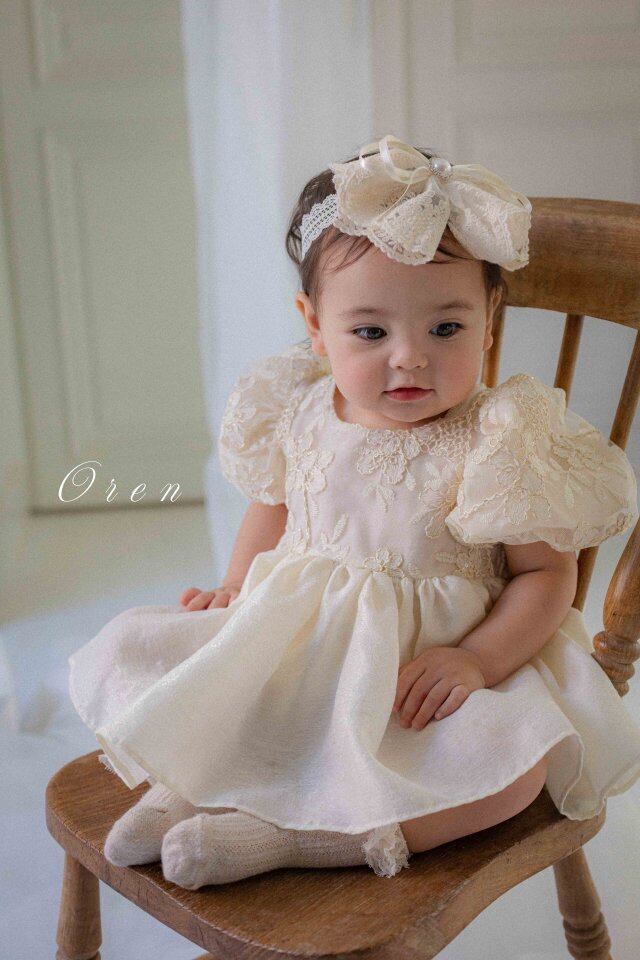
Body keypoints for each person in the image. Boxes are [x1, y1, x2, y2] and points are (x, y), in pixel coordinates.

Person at [68, 135, 640, 890]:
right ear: (314, 324)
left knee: (512, 774)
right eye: (370, 332)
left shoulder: (499, 439)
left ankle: (308, 840)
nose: (409, 357)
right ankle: (183, 792)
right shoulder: (299, 406)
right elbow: (273, 508)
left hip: (418, 686)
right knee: (211, 682)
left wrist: (477, 660)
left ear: (490, 318)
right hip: (297, 650)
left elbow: (546, 576)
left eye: (446, 328)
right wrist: (235, 586)